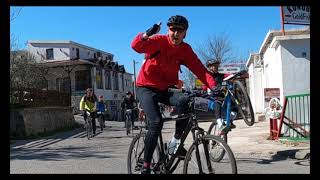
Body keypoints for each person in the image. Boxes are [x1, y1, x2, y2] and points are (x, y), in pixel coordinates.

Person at [131, 15, 218, 174]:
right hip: (146, 87)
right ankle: (146, 165)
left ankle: (175, 144)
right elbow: (136, 46)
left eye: (180, 30)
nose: (176, 33)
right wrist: (147, 33)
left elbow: (201, 71)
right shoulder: (158, 41)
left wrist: (214, 87)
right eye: (173, 29)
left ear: (185, 33)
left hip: (166, 89)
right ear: (168, 30)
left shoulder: (185, 50)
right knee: (156, 122)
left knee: (185, 101)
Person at [204, 60, 237, 130]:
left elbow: (227, 76)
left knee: (234, 104)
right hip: (210, 98)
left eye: (217, 66)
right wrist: (212, 88)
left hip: (219, 96)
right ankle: (220, 124)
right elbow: (208, 85)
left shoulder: (219, 75)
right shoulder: (207, 75)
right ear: (209, 67)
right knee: (217, 104)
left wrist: (236, 74)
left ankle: (229, 121)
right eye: (214, 66)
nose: (216, 67)